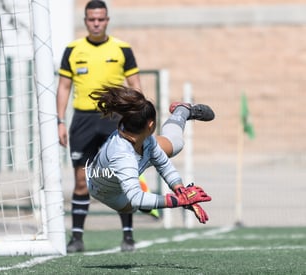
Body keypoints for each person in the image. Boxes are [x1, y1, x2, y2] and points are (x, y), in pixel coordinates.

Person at [56, 0, 147, 253]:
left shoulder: (122, 49)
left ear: (107, 20)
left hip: (115, 121)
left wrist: (137, 117)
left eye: (101, 19)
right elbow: (64, 87)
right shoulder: (73, 50)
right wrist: (60, 121)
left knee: (122, 175)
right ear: (85, 21)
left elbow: (135, 84)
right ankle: (76, 238)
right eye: (91, 19)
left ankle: (128, 236)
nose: (96, 23)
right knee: (81, 180)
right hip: (82, 121)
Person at [86, 85, 213, 221]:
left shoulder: (142, 137)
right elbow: (137, 199)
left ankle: (182, 111)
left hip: (127, 167)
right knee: (133, 206)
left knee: (176, 144)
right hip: (108, 193)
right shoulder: (123, 157)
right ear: (151, 125)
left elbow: (163, 164)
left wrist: (181, 191)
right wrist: (178, 201)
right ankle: (144, 197)